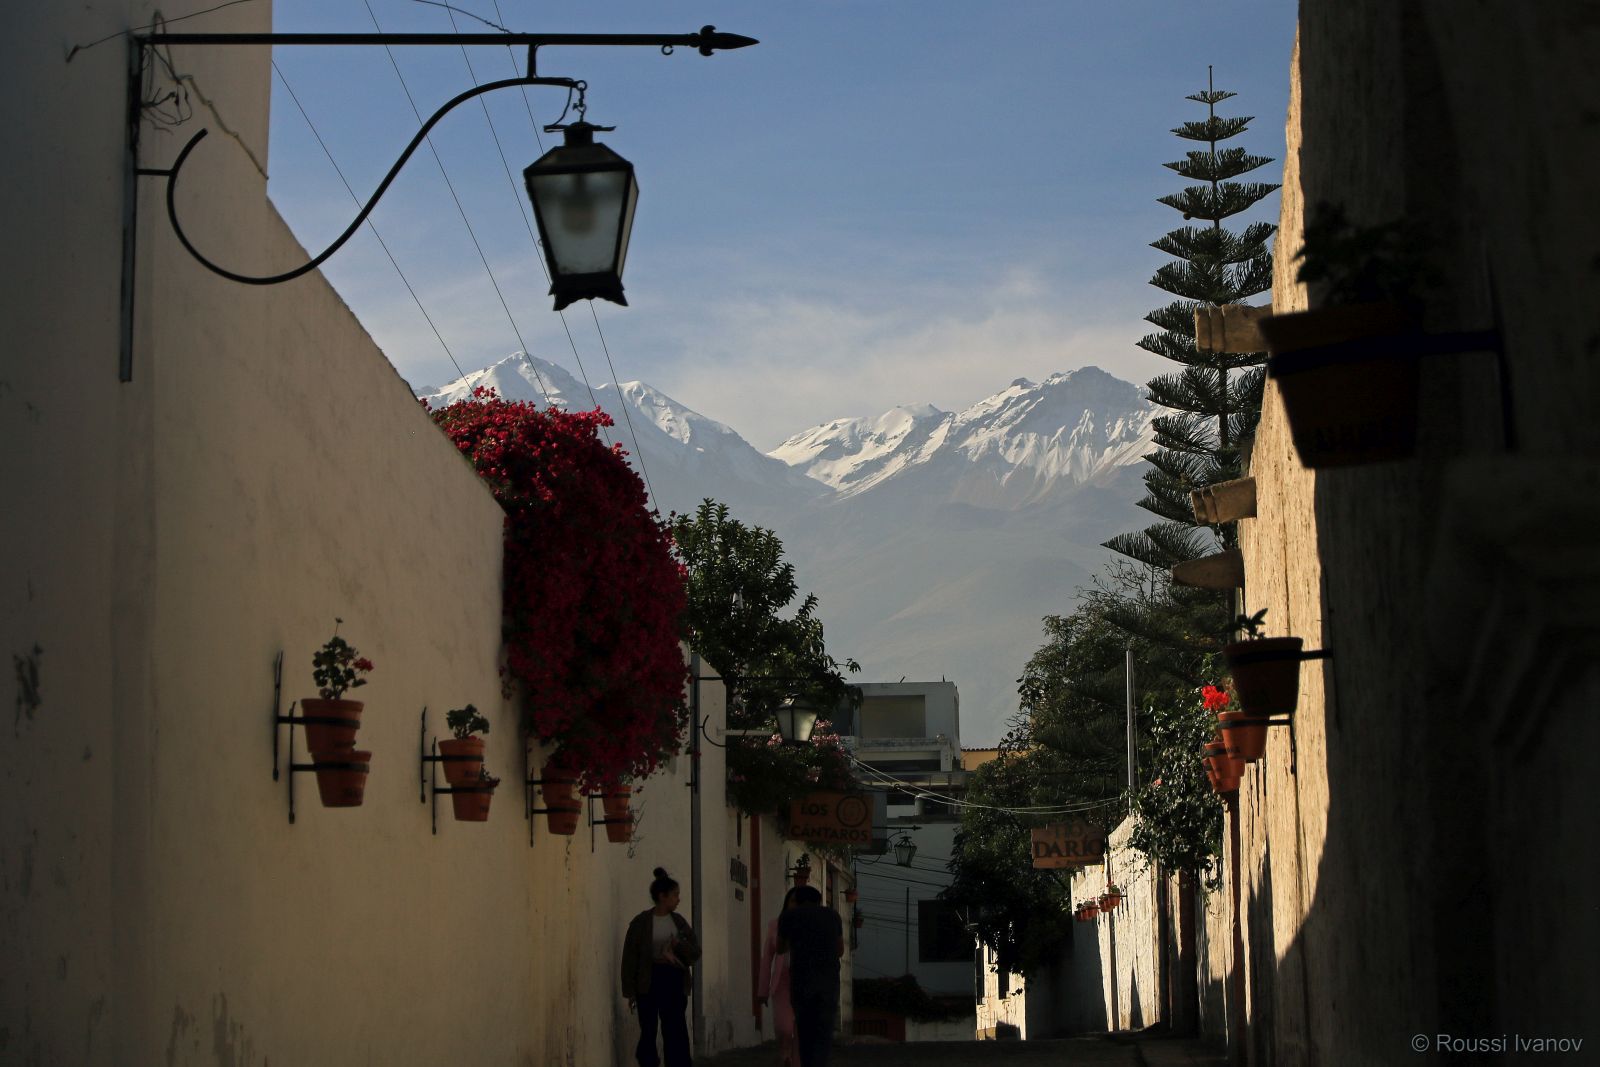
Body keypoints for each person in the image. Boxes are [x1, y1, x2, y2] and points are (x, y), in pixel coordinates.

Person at [622, 867, 701, 1067]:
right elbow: (630, 957)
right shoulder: (641, 923)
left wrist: (678, 945)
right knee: (648, 1029)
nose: (678, 899)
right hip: (649, 980)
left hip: (673, 978)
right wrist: (630, 990)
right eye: (675, 895)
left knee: (674, 1028)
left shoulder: (679, 923)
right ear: (662, 896)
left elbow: (694, 952)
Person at [777, 885, 844, 1067]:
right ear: (818, 900)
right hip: (828, 982)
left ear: (797, 900)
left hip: (802, 980)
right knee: (823, 1032)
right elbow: (840, 950)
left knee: (805, 1030)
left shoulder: (788, 917)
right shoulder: (833, 916)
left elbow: (780, 948)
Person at [757, 888, 803, 1067]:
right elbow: (767, 958)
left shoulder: (810, 925)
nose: (795, 905)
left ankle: (795, 1061)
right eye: (792, 901)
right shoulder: (775, 925)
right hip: (782, 981)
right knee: (784, 1027)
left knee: (801, 1029)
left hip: (803, 980)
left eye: (798, 902)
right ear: (786, 903)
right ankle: (784, 1051)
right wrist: (763, 990)